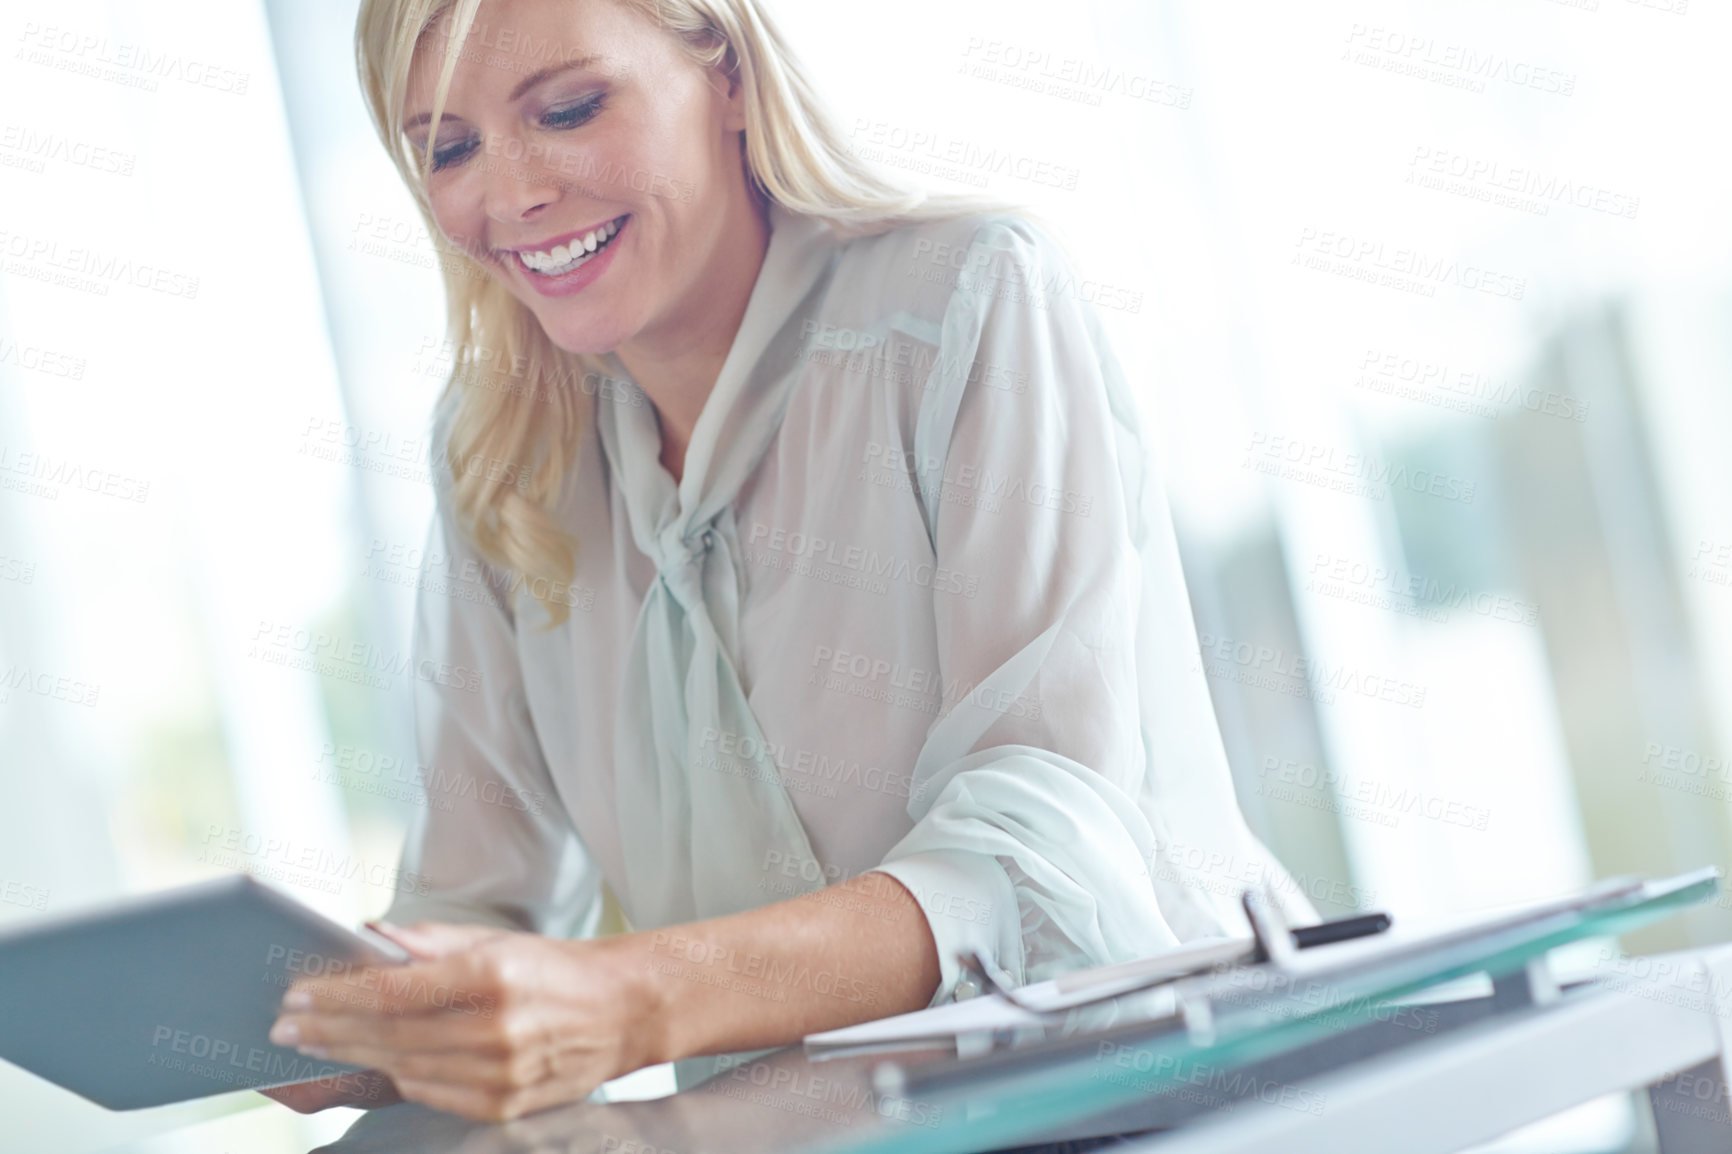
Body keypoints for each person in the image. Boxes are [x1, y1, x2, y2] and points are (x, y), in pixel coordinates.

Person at [264, 0, 1310, 1123]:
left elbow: (1042, 843)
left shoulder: (966, 298)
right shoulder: (504, 445)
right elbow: (481, 906)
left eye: (567, 109)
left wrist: (634, 997)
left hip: (1176, 1092)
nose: (509, 194)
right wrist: (356, 1021)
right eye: (448, 147)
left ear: (725, 73)